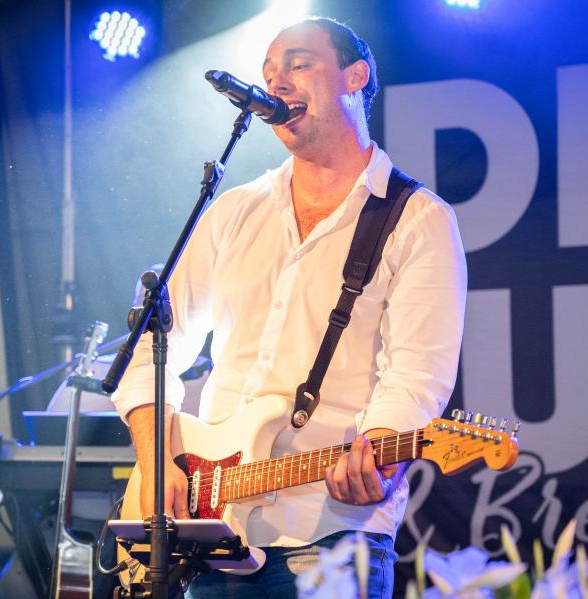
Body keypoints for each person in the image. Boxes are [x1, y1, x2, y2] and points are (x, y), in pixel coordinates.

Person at [111, 17, 466, 598]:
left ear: (355, 76)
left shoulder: (417, 219)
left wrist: (380, 454)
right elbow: (155, 345)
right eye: (269, 72)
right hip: (205, 534)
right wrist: (156, 465)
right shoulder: (233, 211)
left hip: (327, 531)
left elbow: (417, 374)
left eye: (298, 65)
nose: (276, 83)